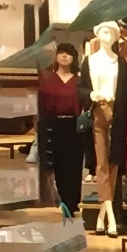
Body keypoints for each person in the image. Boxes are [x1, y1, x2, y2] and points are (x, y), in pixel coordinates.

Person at [37, 42, 88, 216]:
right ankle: (63, 203)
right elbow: (42, 107)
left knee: (74, 167)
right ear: (56, 56)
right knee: (57, 166)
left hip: (74, 126)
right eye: (61, 53)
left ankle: (73, 204)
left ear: (74, 58)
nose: (65, 56)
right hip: (54, 125)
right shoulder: (48, 81)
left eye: (69, 53)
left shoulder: (79, 81)